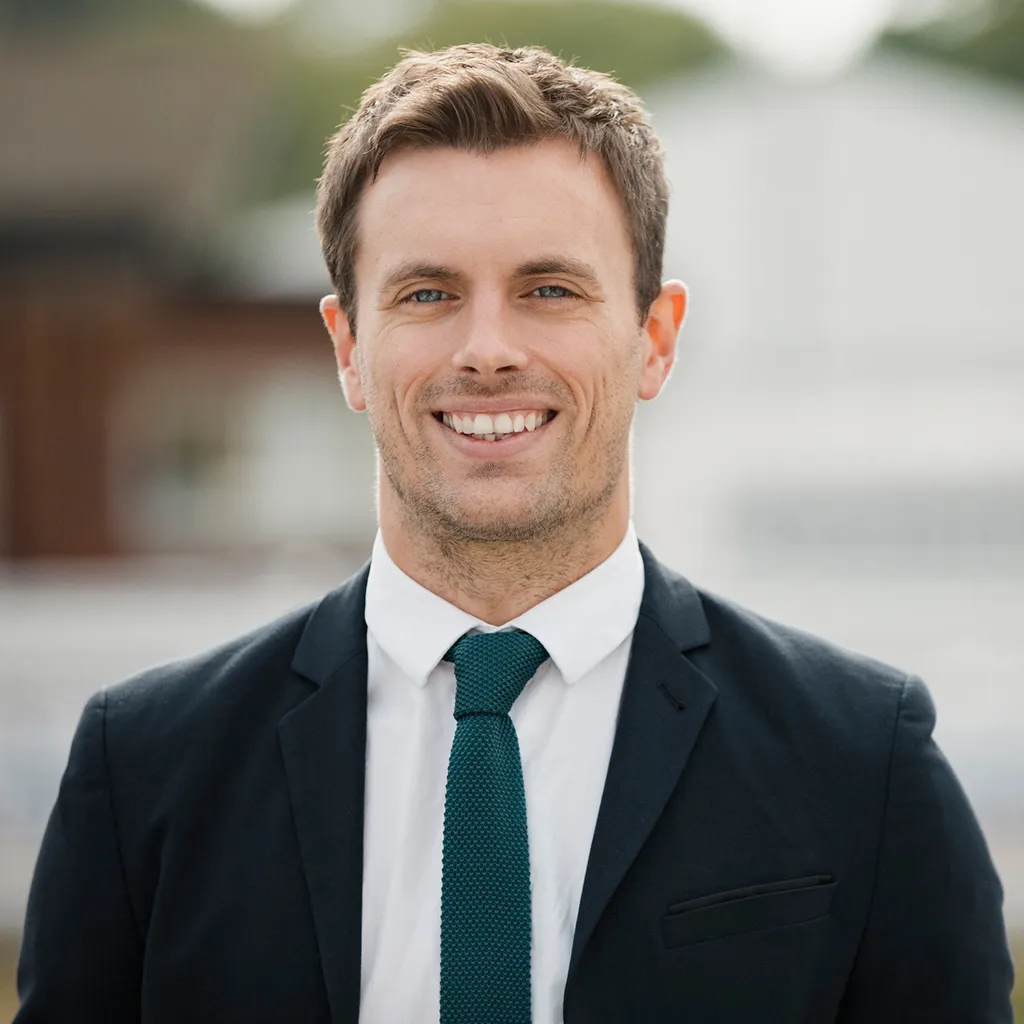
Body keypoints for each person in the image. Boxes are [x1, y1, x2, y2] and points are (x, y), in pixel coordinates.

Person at [15, 43, 1013, 1024]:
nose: (486, 350)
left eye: (548, 289)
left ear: (653, 339)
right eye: (427, 293)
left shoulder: (859, 758)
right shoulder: (144, 770)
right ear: (349, 348)